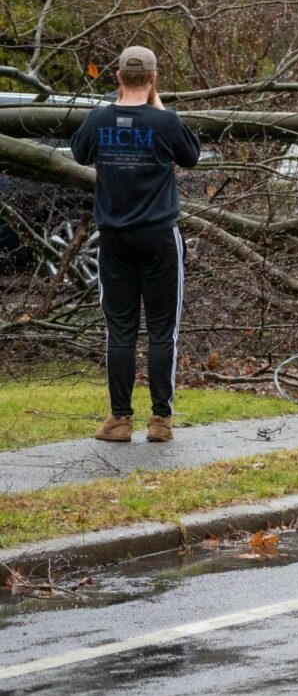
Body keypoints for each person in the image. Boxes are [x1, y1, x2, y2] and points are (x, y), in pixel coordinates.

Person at [69, 46, 200, 443]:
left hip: (114, 240)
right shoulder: (166, 122)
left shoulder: (98, 120)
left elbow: (79, 152)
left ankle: (119, 420)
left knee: (120, 330)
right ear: (154, 78)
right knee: (163, 331)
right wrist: (156, 106)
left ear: (117, 78)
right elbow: (191, 156)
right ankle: (160, 420)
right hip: (159, 237)